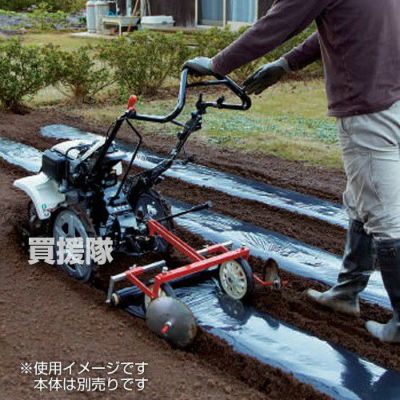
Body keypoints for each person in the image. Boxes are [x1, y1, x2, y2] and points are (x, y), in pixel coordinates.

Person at [184, 0, 400, 343]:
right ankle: (346, 293)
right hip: (391, 97)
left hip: (368, 107)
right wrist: (286, 63)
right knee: (362, 200)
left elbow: (278, 23)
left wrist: (216, 64)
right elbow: (340, 25)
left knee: (384, 216)